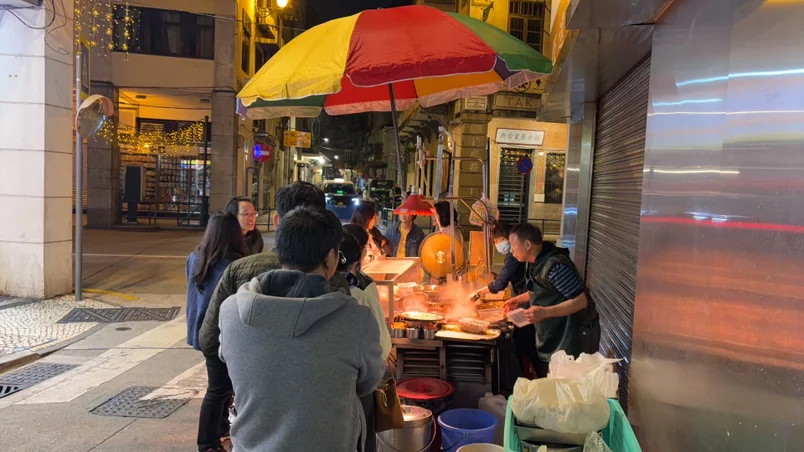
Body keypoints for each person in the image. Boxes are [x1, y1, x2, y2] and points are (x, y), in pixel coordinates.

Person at [219, 206, 384, 452]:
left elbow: (227, 361)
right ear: (330, 258)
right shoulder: (356, 320)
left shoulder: (231, 311)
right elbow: (369, 382)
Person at [185, 212, 247, 452]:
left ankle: (220, 429)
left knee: (220, 386)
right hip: (218, 333)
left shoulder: (195, 257)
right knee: (218, 389)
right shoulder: (231, 265)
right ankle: (207, 443)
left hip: (200, 329)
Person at [505, 222, 600, 378]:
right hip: (558, 329)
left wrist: (544, 312)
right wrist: (519, 299)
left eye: (512, 245)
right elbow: (546, 290)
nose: (511, 250)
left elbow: (580, 301)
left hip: (576, 331)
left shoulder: (555, 266)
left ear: (527, 244)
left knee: (571, 381)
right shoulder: (535, 261)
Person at [338, 226, 392, 452]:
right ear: (354, 264)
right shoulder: (362, 295)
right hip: (360, 386)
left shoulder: (310, 295)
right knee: (363, 438)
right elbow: (383, 347)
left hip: (327, 391)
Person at [471, 222, 537, 378]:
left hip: (528, 306)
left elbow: (500, 283)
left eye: (498, 240)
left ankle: (522, 379)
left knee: (524, 343)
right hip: (525, 301)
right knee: (527, 344)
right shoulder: (519, 255)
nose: (497, 245)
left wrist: (478, 293)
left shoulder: (516, 257)